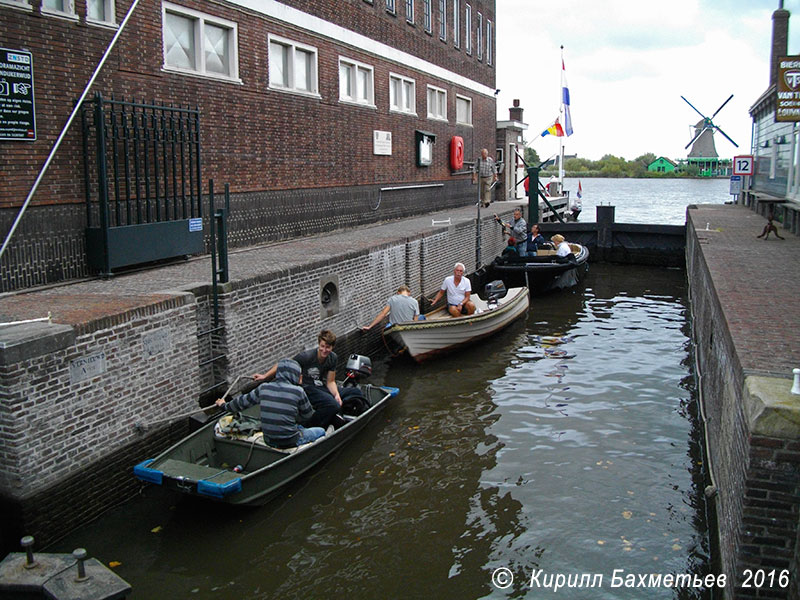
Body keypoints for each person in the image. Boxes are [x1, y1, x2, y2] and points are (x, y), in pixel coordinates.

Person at [215, 358, 325, 449]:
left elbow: (241, 403)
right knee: (321, 431)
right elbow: (308, 416)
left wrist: (224, 405)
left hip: (269, 440)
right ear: (294, 375)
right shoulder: (298, 391)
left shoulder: (263, 388)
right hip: (290, 441)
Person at [253, 330, 342, 429]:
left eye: (328, 347)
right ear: (318, 345)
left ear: (332, 347)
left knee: (348, 394)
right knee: (334, 406)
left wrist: (336, 394)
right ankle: (309, 426)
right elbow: (284, 364)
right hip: (306, 387)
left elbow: (330, 381)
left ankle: (328, 418)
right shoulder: (306, 357)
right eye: (322, 346)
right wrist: (265, 376)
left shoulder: (333, 358)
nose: (324, 350)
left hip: (319, 386)